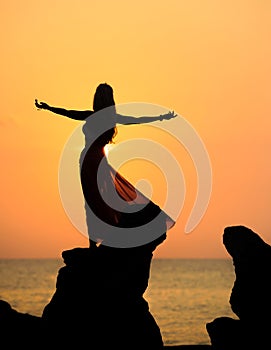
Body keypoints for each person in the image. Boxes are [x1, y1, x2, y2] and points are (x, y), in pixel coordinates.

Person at [35, 83, 176, 249]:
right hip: (95, 160)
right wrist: (161, 117)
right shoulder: (109, 118)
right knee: (101, 197)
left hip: (90, 160)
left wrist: (48, 108)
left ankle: (94, 241)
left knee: (92, 200)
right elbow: (137, 120)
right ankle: (104, 236)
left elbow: (69, 113)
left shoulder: (93, 116)